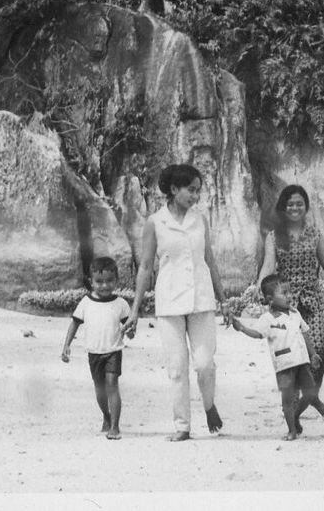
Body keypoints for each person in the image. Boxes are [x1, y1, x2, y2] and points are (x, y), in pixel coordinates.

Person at [122, 164, 229, 441]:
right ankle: (182, 425)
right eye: (191, 190)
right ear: (174, 189)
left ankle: (209, 404)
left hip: (201, 299)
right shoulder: (155, 223)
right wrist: (134, 311)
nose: (195, 196)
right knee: (177, 367)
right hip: (169, 301)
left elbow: (210, 261)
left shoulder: (200, 220)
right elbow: (145, 267)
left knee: (205, 364)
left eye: (198, 191)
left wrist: (224, 300)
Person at [258, 184, 324, 416]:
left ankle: (310, 395)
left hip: (311, 301)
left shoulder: (314, 234)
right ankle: (295, 403)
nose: (295, 208)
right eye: (290, 204)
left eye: (299, 204)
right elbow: (267, 265)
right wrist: (260, 287)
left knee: (320, 349)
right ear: (283, 208)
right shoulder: (274, 236)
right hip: (285, 304)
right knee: (292, 353)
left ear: (305, 207)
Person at [227, 275, 324, 440]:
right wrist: (242, 328)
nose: (290, 296)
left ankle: (295, 416)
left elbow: (305, 333)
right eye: (284, 293)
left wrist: (313, 353)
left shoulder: (295, 314)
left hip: (301, 361)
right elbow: (257, 334)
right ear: (270, 299)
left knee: (310, 392)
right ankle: (291, 430)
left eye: (290, 292)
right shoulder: (267, 319)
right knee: (287, 399)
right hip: (284, 365)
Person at [61, 256, 133, 439]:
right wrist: (66, 345)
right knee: (100, 390)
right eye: (99, 282)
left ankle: (115, 427)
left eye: (109, 281)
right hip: (94, 353)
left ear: (116, 280)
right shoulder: (86, 302)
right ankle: (106, 416)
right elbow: (74, 323)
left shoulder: (121, 304)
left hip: (113, 351)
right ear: (91, 282)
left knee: (112, 385)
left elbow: (130, 328)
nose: (104, 286)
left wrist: (131, 332)